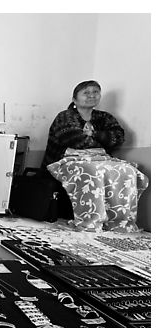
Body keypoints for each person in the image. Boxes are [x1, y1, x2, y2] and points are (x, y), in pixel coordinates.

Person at [43, 80, 149, 232]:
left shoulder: (105, 117)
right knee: (92, 172)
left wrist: (94, 133)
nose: (92, 95)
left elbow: (118, 137)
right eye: (86, 92)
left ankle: (119, 222)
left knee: (128, 171)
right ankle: (90, 221)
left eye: (95, 92)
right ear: (74, 99)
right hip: (64, 160)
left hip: (101, 159)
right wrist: (101, 142)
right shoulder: (65, 116)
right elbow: (76, 140)